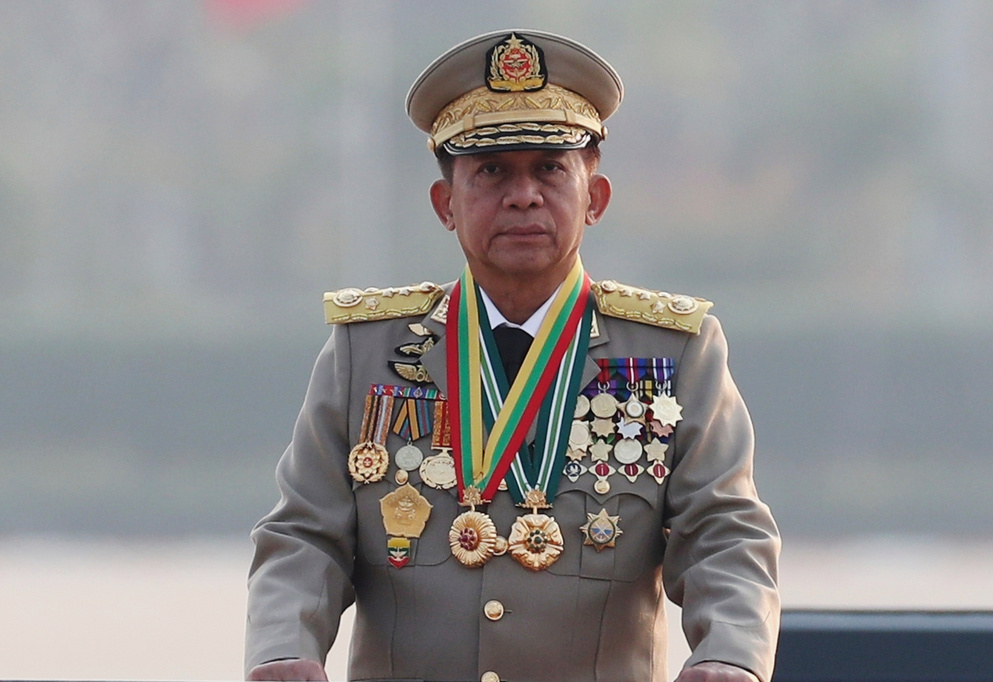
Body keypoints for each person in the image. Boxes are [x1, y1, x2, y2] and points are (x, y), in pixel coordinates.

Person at [245, 29, 780, 682]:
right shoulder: (370, 352)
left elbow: (726, 536)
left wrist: (730, 658)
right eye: (492, 172)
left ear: (596, 198)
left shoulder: (669, 355)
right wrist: (282, 648)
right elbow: (305, 537)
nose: (523, 195)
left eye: (550, 169)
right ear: (446, 204)